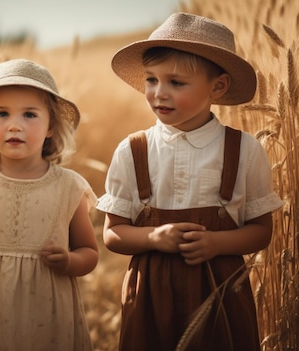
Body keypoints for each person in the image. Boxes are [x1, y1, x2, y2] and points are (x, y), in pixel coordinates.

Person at [95, 12, 285, 351]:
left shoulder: (244, 149)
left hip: (221, 290)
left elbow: (262, 230)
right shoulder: (133, 149)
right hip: (149, 293)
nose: (158, 93)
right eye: (151, 80)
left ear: (218, 86)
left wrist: (216, 244)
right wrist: (154, 237)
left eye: (176, 83)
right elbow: (112, 233)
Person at [0, 58, 98, 351]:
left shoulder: (68, 186)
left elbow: (89, 252)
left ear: (51, 126)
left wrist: (69, 261)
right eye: (2, 114)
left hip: (49, 313)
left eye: (29, 114)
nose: (14, 125)